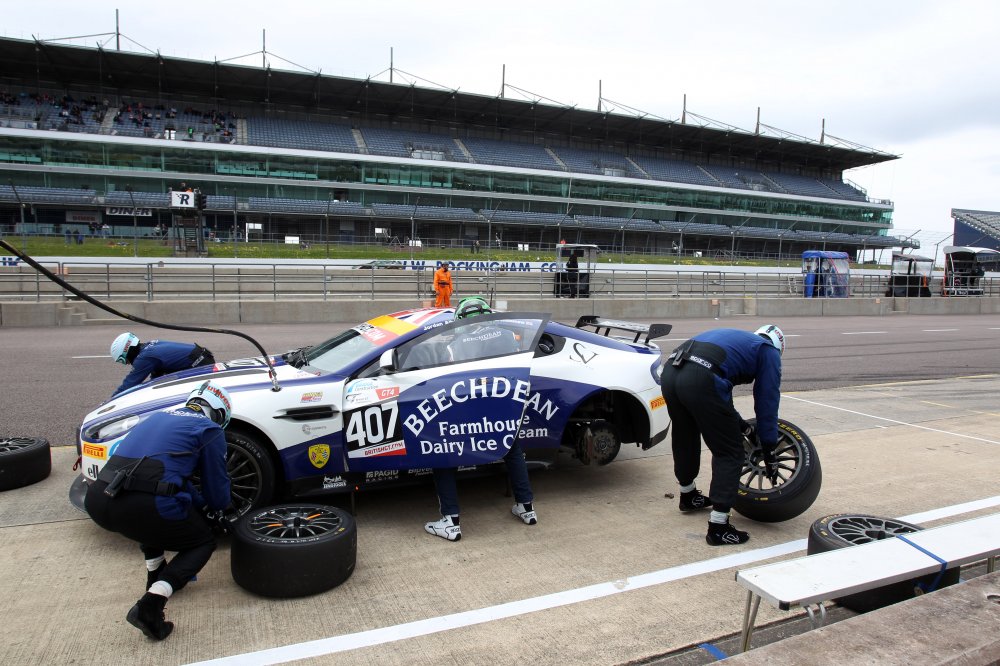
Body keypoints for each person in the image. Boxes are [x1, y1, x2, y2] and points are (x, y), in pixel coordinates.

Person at [84, 381, 234, 641]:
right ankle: (151, 605)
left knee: (151, 515)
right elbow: (217, 492)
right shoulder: (209, 429)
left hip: (99, 499)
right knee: (203, 542)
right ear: (220, 414)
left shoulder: (157, 417)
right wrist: (219, 512)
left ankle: (155, 573)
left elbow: (172, 478)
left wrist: (198, 504)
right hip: (143, 505)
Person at [659, 324, 784, 546]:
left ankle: (688, 496)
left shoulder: (739, 341)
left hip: (671, 372)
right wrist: (769, 447)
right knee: (730, 452)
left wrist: (744, 427)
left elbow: (722, 399)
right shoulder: (769, 351)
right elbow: (767, 400)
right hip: (701, 377)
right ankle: (718, 527)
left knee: (685, 435)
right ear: (778, 346)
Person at [424, 297, 537, 541]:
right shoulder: (508, 336)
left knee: (443, 454)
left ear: (461, 320)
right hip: (503, 404)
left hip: (468, 410)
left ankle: (451, 521)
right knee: (512, 449)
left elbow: (446, 379)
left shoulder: (454, 345)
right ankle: (527, 508)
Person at [110, 332, 215, 396]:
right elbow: (157, 376)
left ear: (128, 352)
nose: (127, 364)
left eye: (124, 360)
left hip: (200, 365)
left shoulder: (144, 358)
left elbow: (129, 384)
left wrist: (111, 401)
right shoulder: (150, 346)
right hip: (202, 358)